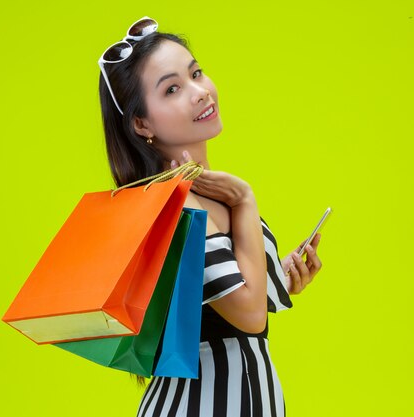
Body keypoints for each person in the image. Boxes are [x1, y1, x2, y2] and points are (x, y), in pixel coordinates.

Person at [97, 16, 324, 417]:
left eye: (196, 73)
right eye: (172, 89)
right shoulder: (178, 205)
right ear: (141, 123)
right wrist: (246, 200)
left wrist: (282, 275)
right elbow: (250, 317)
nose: (200, 92)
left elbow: (227, 305)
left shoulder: (208, 196)